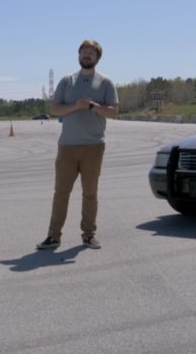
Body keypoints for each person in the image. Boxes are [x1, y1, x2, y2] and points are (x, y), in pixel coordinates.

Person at [37, 39, 119, 250]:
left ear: (97, 58)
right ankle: (54, 236)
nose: (87, 55)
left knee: (90, 193)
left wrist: (91, 106)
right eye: (84, 51)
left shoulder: (106, 83)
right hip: (67, 147)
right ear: (78, 55)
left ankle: (89, 235)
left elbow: (113, 112)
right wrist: (76, 105)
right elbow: (55, 110)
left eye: (91, 52)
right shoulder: (67, 81)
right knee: (61, 193)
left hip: (93, 147)